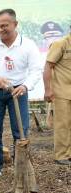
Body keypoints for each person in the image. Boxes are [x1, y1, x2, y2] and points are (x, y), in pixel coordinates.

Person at [0, 9, 41, 180]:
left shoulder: (28, 45)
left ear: (15, 24)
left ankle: (21, 165)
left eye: (4, 26)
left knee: (20, 130)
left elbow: (35, 70)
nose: (0, 30)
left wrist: (26, 86)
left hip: (18, 91)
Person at [43, 29, 71, 165]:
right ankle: (61, 155)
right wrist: (48, 90)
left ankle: (69, 153)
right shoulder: (60, 44)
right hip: (62, 92)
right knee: (63, 124)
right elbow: (48, 66)